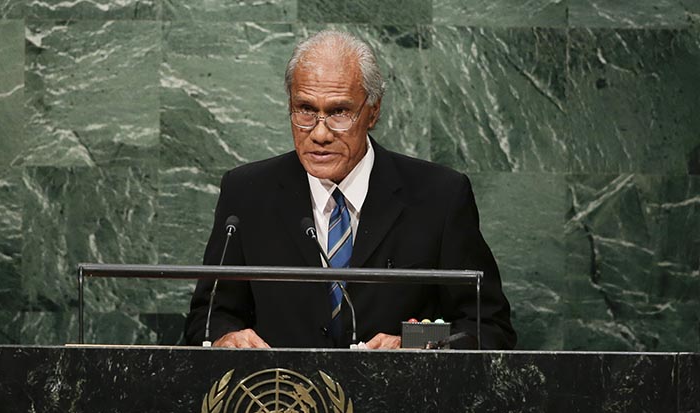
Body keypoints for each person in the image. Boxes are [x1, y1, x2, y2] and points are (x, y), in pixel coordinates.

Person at [184, 30, 516, 350]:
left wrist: (416, 343)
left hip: (397, 398)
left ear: (373, 111)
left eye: (339, 112)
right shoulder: (247, 193)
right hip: (284, 400)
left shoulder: (439, 196)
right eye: (306, 110)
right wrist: (226, 338)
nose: (320, 133)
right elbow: (208, 318)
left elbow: (486, 326)